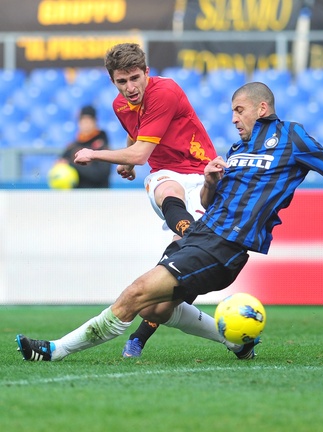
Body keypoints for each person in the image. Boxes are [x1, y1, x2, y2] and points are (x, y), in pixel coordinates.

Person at [15, 82, 323, 363]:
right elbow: (214, 199)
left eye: (239, 109)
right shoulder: (236, 146)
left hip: (225, 247)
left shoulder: (293, 138)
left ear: (262, 108)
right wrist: (212, 180)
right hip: (202, 230)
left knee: (137, 293)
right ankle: (239, 342)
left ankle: (53, 350)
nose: (233, 117)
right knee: (160, 306)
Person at [73, 43, 219, 359]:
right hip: (167, 176)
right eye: (121, 82)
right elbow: (137, 136)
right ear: (113, 81)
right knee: (169, 200)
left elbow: (140, 153)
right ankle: (193, 241)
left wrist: (96, 153)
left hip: (199, 174)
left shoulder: (165, 91)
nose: (130, 88)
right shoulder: (120, 104)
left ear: (147, 73)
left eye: (134, 78)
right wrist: (125, 162)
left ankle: (234, 341)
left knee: (166, 299)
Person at [58, 105, 111, 188]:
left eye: (88, 120)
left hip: (98, 196)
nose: (85, 124)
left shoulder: (102, 147)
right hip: (76, 197)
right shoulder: (73, 147)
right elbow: (61, 163)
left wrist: (71, 165)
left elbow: (100, 174)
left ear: (95, 122)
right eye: (82, 121)